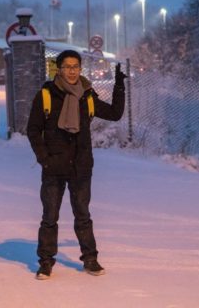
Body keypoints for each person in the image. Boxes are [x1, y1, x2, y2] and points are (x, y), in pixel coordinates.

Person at [27, 50, 126, 280]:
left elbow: (115, 114)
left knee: (83, 215)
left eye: (75, 66)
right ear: (59, 69)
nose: (72, 71)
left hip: (81, 167)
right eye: (67, 66)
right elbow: (33, 130)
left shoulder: (87, 95)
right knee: (49, 216)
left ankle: (90, 260)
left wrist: (119, 85)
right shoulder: (46, 95)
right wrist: (44, 159)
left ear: (80, 69)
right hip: (54, 168)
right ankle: (46, 262)